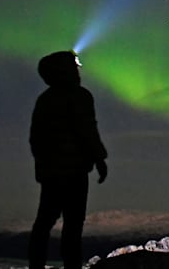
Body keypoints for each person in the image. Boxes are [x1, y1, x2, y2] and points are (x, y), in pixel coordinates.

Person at [28, 51, 109, 269]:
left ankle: (36, 266)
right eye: (74, 67)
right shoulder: (79, 96)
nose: (78, 71)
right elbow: (87, 129)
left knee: (44, 222)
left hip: (52, 172)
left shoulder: (45, 100)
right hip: (74, 172)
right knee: (72, 225)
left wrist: (44, 166)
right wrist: (99, 159)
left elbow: (36, 138)